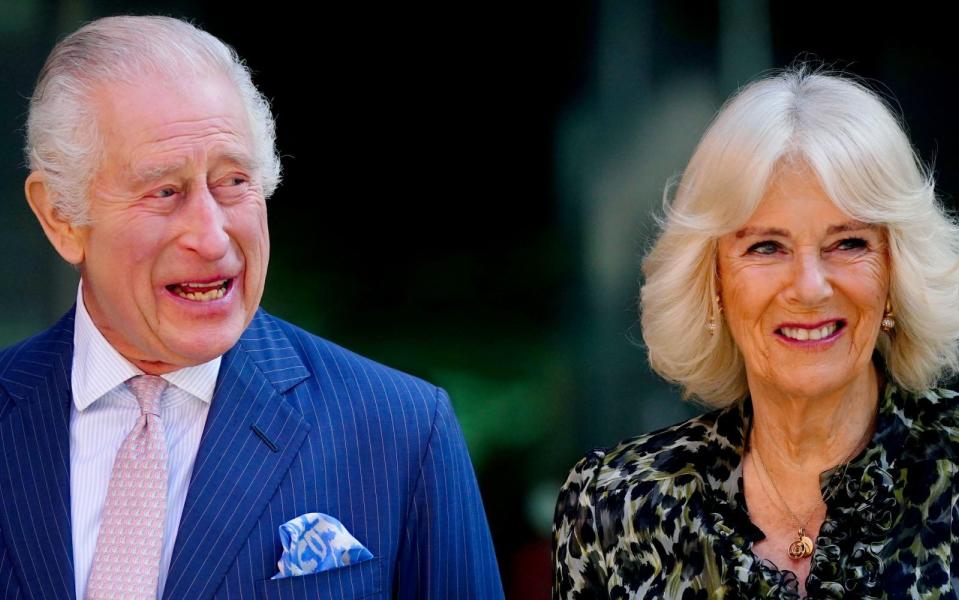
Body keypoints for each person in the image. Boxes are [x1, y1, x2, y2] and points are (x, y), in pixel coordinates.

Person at [0, 15, 503, 600]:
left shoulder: (401, 431)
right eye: (165, 191)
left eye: (233, 182)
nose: (212, 237)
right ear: (61, 216)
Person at [553, 66, 959, 599]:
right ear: (713, 280)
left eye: (849, 243)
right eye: (766, 247)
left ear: (895, 270)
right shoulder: (615, 506)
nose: (810, 287)